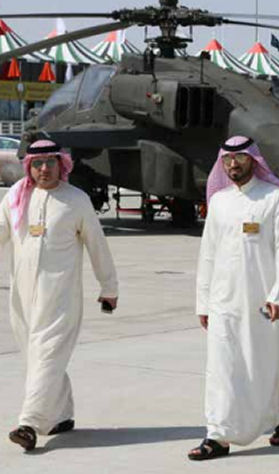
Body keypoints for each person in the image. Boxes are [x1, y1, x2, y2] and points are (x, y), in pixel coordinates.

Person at [0, 140, 118, 451]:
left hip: (61, 298)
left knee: (47, 357)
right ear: (28, 166)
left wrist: (109, 288)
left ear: (61, 164)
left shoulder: (76, 201)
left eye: (50, 163)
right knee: (37, 359)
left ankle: (29, 423)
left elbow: (97, 245)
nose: (43, 169)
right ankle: (61, 415)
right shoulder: (15, 197)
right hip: (22, 299)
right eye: (37, 164)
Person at [188, 136, 279, 460]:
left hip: (266, 303)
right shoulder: (220, 201)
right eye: (228, 160)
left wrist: (278, 295)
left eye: (240, 158)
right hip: (224, 302)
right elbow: (207, 254)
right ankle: (218, 435)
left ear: (254, 160)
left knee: (274, 361)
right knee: (221, 367)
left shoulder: (274, 198)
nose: (233, 165)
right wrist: (203, 302)